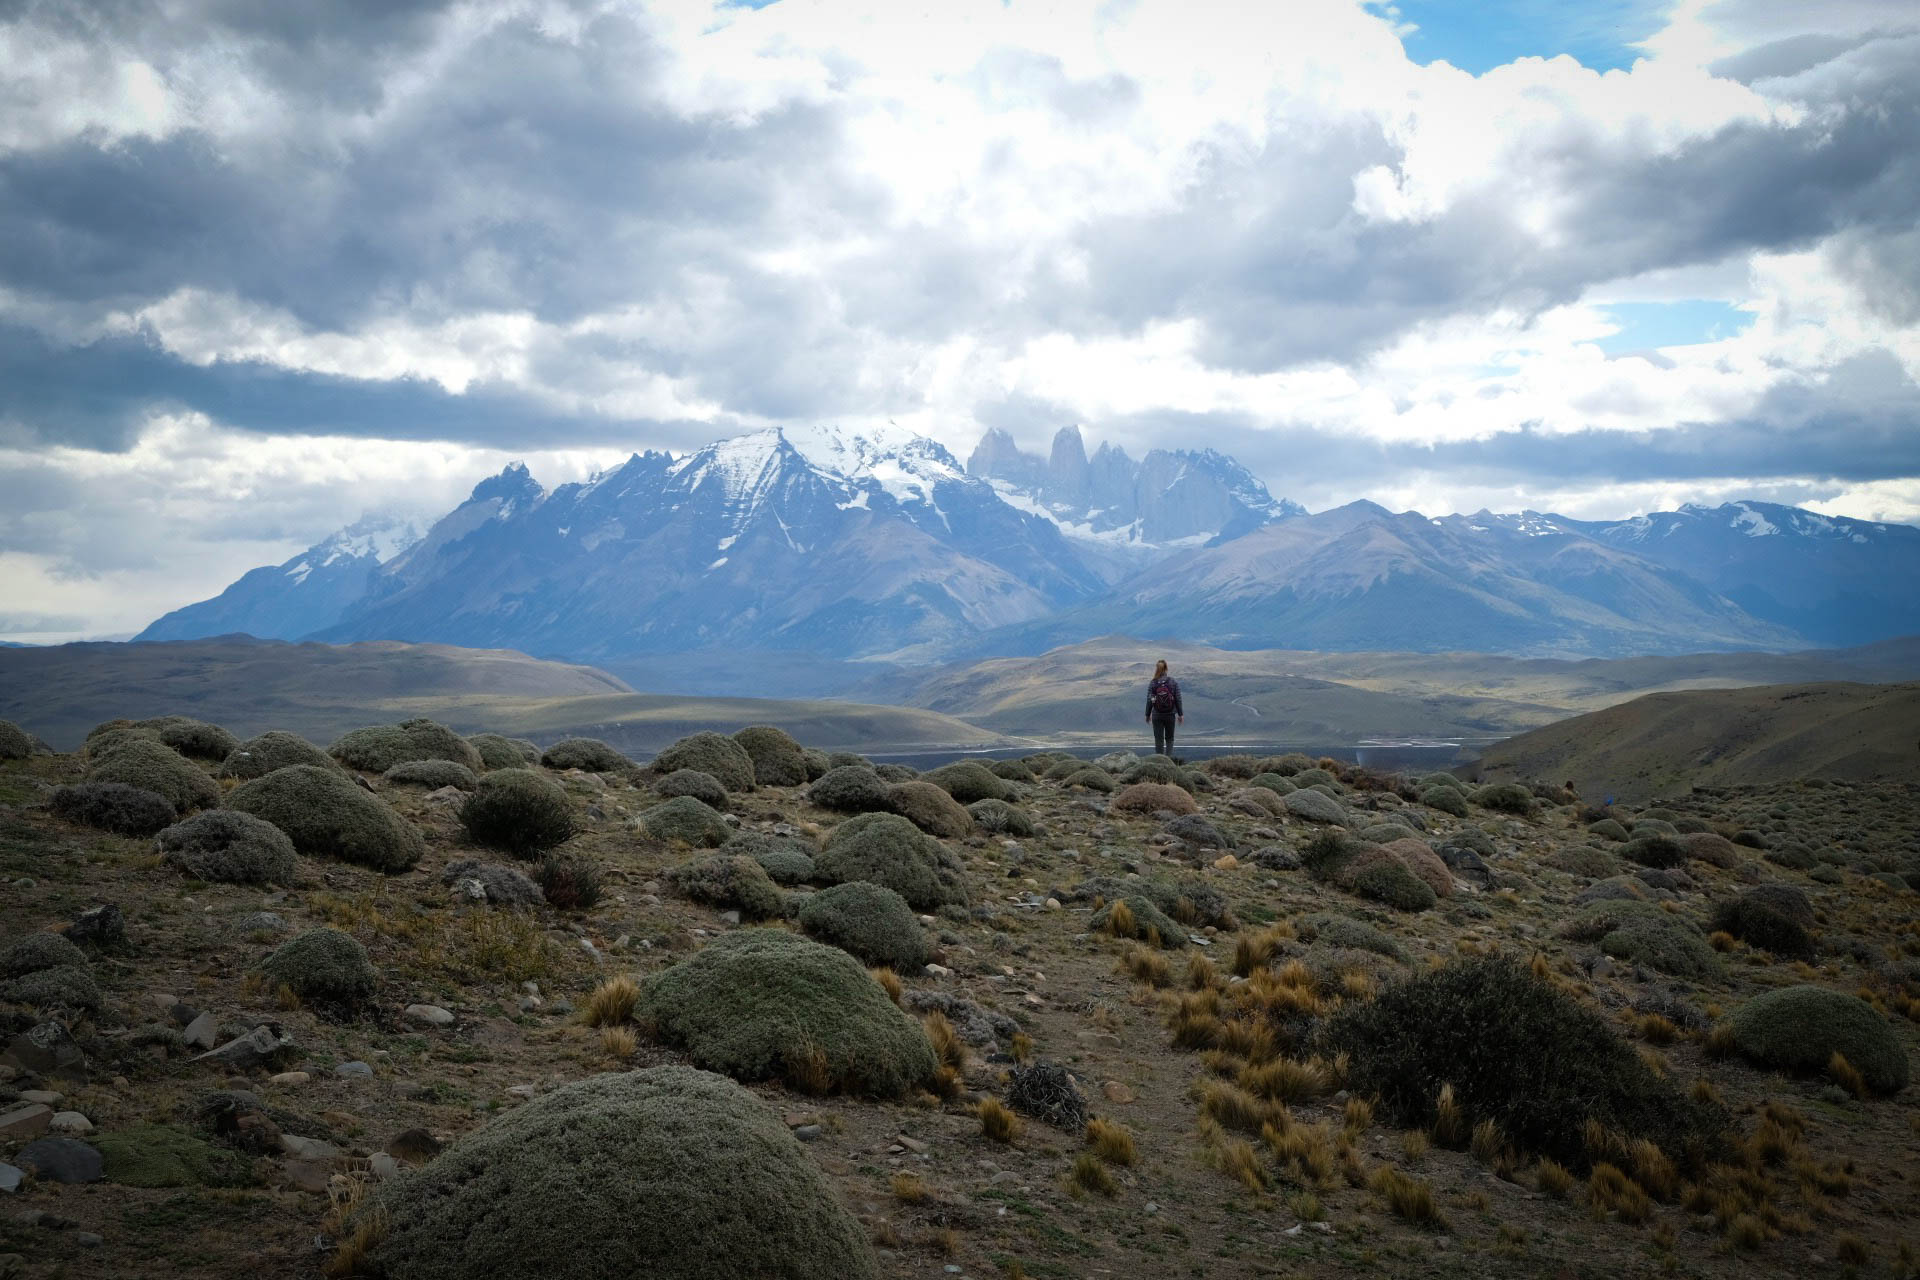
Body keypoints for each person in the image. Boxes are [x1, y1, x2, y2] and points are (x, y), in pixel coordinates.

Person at [1144, 659, 1183, 759]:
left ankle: (1159, 761)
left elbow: (1150, 700)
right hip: (1170, 715)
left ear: (1156, 669)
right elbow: (1178, 698)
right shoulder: (1173, 682)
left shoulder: (1153, 683)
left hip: (1157, 715)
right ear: (1166, 668)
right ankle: (1168, 760)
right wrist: (1180, 714)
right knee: (1169, 738)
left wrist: (1147, 714)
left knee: (1158, 739)